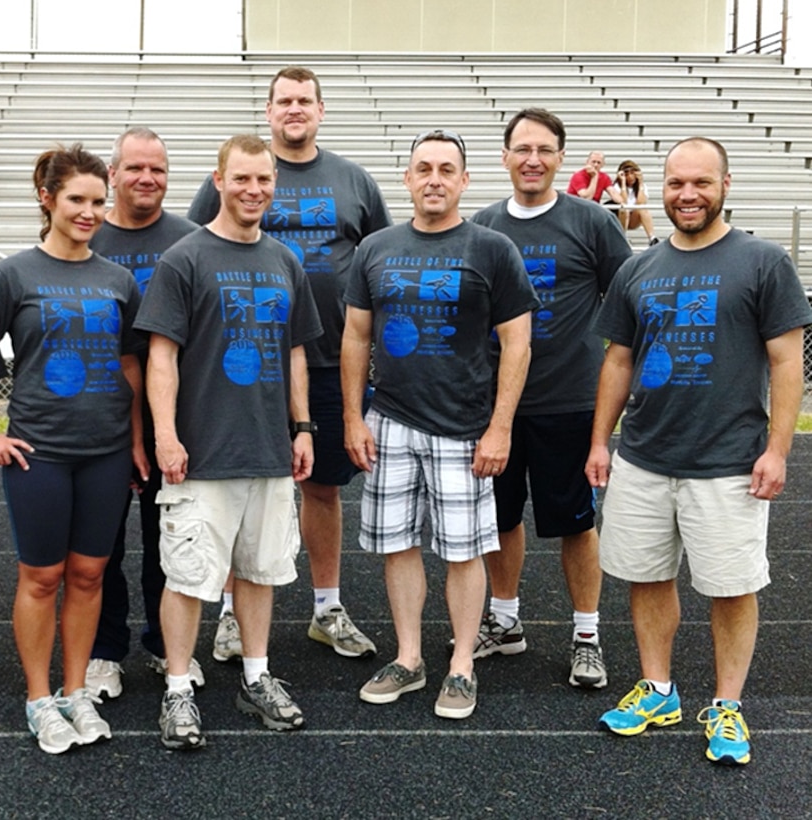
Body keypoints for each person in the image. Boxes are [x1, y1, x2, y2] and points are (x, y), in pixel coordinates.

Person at [587, 137, 812, 766]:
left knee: (732, 587)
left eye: (701, 183)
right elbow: (619, 361)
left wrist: (778, 450)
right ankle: (658, 689)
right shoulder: (640, 267)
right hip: (644, 457)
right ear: (661, 187)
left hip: (729, 462)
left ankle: (728, 705)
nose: (688, 195)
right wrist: (601, 442)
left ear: (725, 185)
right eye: (676, 183)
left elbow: (787, 360)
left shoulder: (763, 262)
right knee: (647, 575)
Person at [188, 66, 391, 663]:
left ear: (321, 110)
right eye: (284, 100)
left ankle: (326, 607)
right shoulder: (238, 173)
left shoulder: (353, 180)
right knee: (234, 490)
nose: (294, 109)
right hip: (238, 369)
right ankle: (229, 613)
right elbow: (200, 249)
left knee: (322, 488)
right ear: (269, 110)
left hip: (326, 361)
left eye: (304, 100)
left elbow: (378, 259)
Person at [342, 129, 537, 720]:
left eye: (446, 170)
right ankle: (409, 657)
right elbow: (355, 336)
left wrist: (500, 426)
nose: (434, 179)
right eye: (423, 168)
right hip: (392, 421)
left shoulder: (492, 248)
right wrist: (354, 416)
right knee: (397, 545)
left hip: (463, 427)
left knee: (463, 551)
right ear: (407, 178)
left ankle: (460, 666)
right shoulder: (375, 248)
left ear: (464, 180)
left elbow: (518, 341)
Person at [0, 145, 145, 755]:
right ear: (48, 198)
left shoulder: (117, 280)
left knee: (90, 573)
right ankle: (39, 699)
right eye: (77, 200)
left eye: (98, 201)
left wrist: (138, 439)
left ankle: (75, 692)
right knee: (42, 577)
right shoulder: (13, 273)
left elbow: (129, 363)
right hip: (39, 450)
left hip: (107, 450)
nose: (90, 212)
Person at [141, 134, 322, 750]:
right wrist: (165, 434)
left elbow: (295, 353)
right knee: (190, 575)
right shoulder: (184, 259)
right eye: (241, 179)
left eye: (264, 180)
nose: (253, 191)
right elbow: (161, 357)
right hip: (203, 451)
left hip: (268, 448)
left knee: (260, 570)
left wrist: (302, 428)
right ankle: (177, 688)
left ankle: (255, 675)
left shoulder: (284, 261)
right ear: (218, 180)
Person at [470, 109, 632, 688]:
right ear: (505, 157)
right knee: (499, 519)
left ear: (561, 157)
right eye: (521, 148)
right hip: (498, 407)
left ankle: (586, 633)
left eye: (543, 148)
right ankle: (505, 620)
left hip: (570, 401)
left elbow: (630, 294)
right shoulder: (483, 226)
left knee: (574, 522)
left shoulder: (591, 222)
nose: (532, 159)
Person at [83, 127, 200, 699]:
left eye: (157, 169)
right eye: (134, 168)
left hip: (172, 416)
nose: (146, 179)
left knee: (170, 537)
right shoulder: (87, 236)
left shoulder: (190, 239)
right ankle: (104, 650)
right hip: (100, 413)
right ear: (112, 174)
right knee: (101, 543)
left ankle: (163, 642)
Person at [608, 160, 659, 246]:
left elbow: (641, 202)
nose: (630, 177)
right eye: (627, 174)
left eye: (632, 173)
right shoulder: (616, 186)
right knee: (624, 209)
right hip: (621, 217)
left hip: (634, 218)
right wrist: (623, 183)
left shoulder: (642, 186)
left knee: (642, 208)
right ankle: (622, 237)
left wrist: (641, 183)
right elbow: (623, 202)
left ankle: (652, 238)